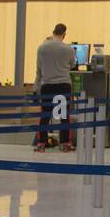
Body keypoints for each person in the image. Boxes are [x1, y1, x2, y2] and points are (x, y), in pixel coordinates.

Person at [34, 24, 76, 152]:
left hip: (47, 85)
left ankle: (41, 143)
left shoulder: (41, 48)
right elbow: (72, 65)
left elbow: (39, 70)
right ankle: (65, 143)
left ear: (53, 32)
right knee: (64, 115)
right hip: (63, 85)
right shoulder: (68, 49)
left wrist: (36, 88)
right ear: (64, 34)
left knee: (45, 115)